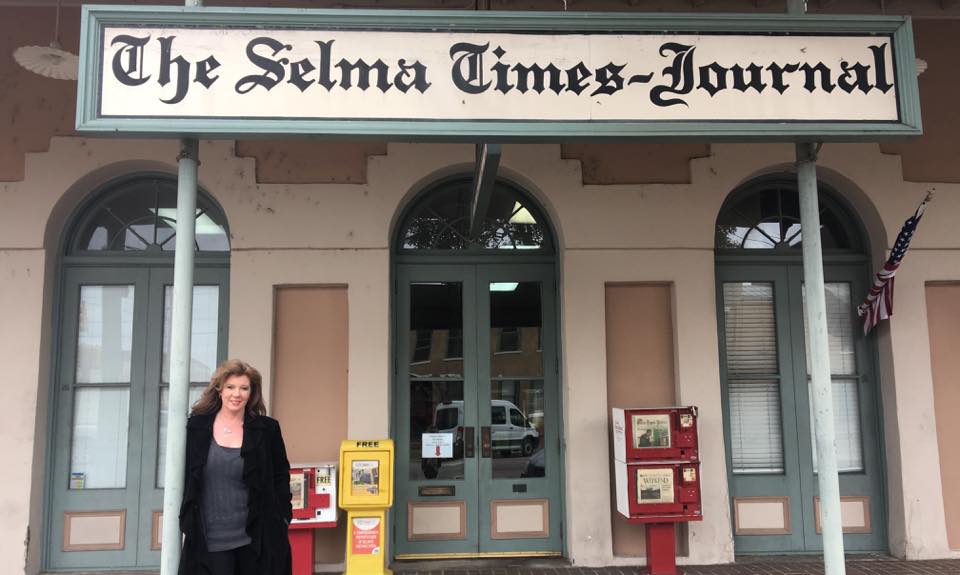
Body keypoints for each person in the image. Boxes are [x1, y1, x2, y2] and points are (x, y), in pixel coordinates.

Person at [178, 359, 292, 575]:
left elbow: (280, 476)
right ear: (219, 389)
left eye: (244, 388)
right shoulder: (196, 428)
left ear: (252, 393)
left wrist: (284, 518)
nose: (236, 394)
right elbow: (184, 477)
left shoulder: (267, 430)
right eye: (230, 387)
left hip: (257, 540)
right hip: (210, 541)